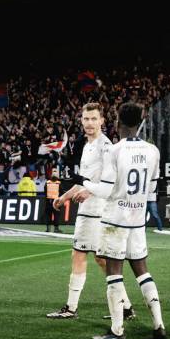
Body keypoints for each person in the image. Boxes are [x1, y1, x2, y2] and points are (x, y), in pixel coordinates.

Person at [67, 102, 166, 339]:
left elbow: (105, 189)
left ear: (117, 121)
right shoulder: (153, 151)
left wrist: (84, 185)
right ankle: (159, 326)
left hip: (115, 220)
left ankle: (117, 330)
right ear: (140, 121)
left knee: (113, 273)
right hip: (137, 221)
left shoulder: (115, 150)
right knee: (143, 273)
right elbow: (152, 188)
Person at [46, 102, 135, 320]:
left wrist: (88, 192)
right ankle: (125, 307)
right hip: (89, 210)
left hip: (97, 211)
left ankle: (72, 307)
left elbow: (108, 182)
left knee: (83, 255)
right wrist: (65, 197)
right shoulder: (87, 146)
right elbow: (85, 182)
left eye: (94, 119)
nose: (89, 123)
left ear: (102, 121)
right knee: (99, 259)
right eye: (86, 119)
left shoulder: (106, 147)